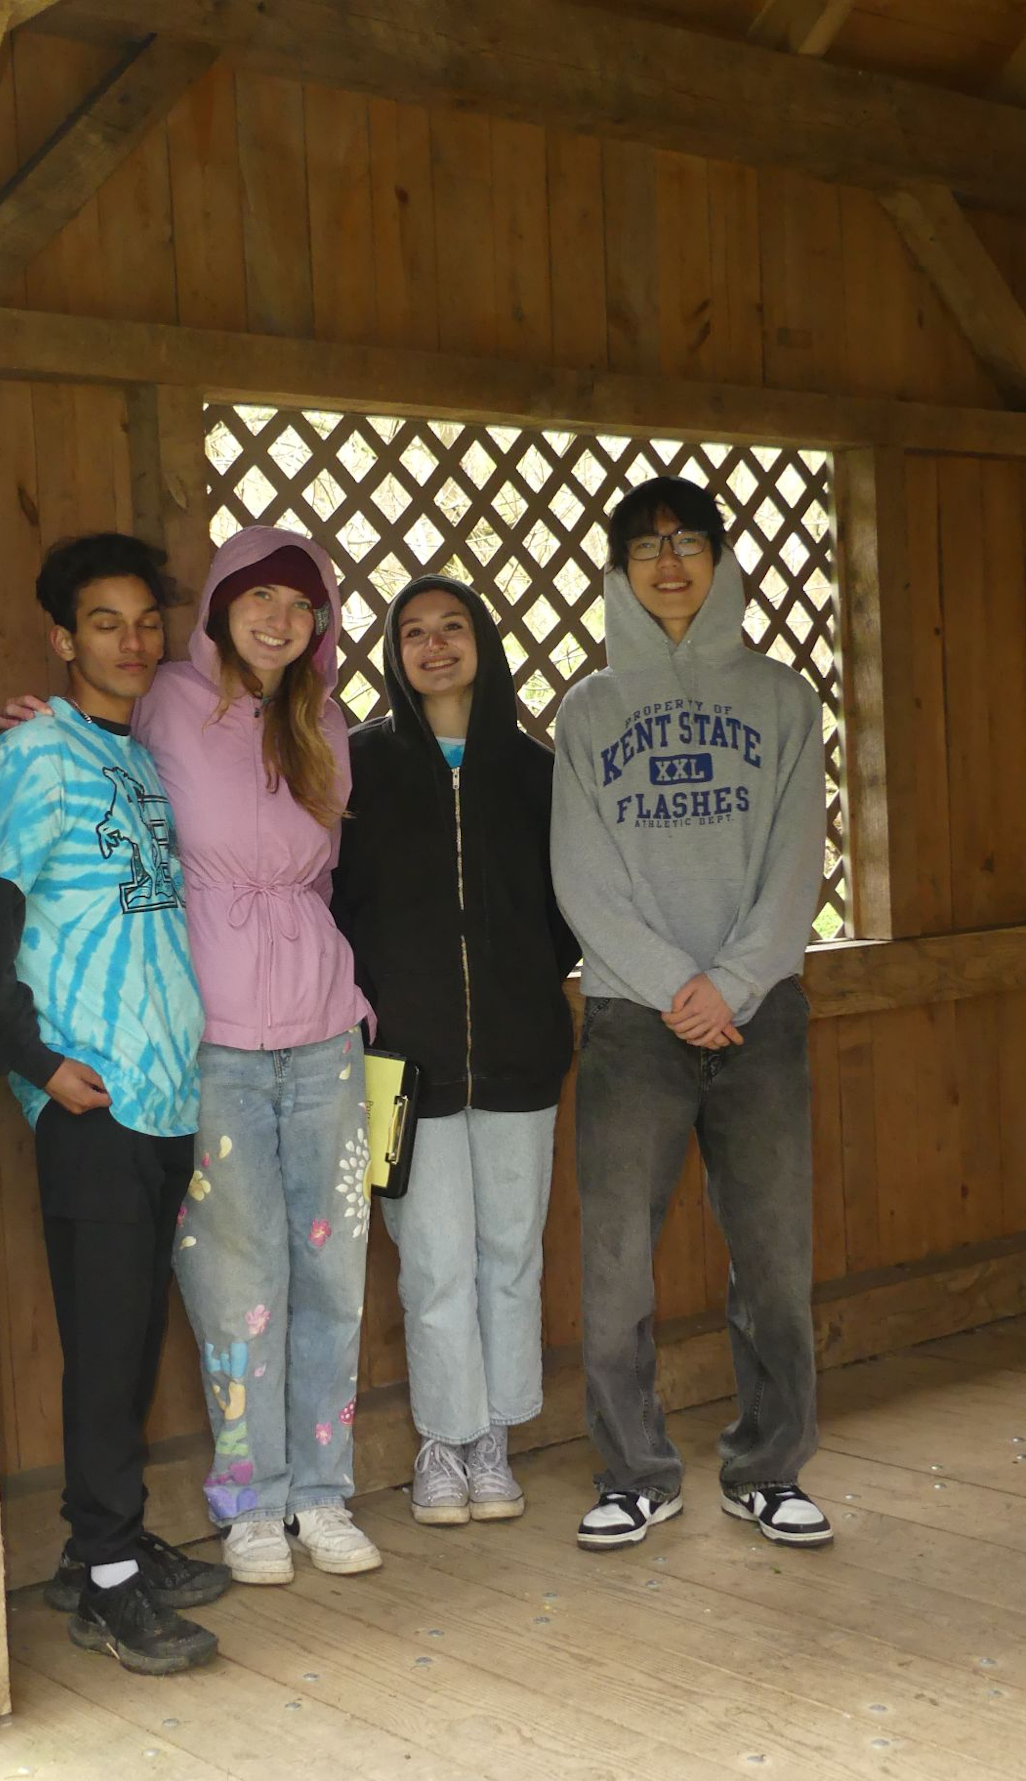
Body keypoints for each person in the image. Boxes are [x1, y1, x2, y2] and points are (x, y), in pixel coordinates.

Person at [0, 525, 381, 1587]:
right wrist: (39, 722)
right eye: (257, 598)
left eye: (300, 606)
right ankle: (249, 1503)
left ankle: (324, 1489)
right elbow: (91, 745)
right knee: (236, 1282)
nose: (277, 619)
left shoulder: (326, 722)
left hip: (322, 1033)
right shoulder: (162, 698)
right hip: (203, 1039)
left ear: (319, 627)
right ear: (216, 609)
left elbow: (325, 872)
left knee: (331, 1272)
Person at [0, 532, 228, 1677]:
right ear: (64, 638)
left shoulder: (136, 754)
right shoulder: (32, 758)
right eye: (104, 622)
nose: (132, 640)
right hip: (92, 1097)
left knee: (124, 1349)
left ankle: (95, 1550)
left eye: (145, 621)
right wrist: (40, 1063)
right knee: (104, 1343)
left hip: (163, 1094)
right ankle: (111, 1582)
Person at [551, 476, 833, 1550]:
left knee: (773, 1253)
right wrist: (677, 985)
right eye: (645, 546)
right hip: (633, 1019)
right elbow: (583, 877)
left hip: (759, 1015)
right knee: (616, 1258)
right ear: (619, 567)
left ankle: (769, 1465)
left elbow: (797, 864)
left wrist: (736, 984)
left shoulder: (783, 698)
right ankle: (634, 1471)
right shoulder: (589, 709)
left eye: (689, 542)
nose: (668, 563)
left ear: (721, 557)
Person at [332, 577, 578, 1527]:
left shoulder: (536, 771)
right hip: (403, 1064)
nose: (434, 646)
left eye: (453, 628)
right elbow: (337, 904)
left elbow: (565, 916)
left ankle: (497, 1436)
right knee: (433, 1259)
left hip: (520, 1051)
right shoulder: (361, 767)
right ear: (393, 654)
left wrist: (514, 978)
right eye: (413, 633)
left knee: (511, 1251)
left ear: (485, 641)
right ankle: (444, 1438)